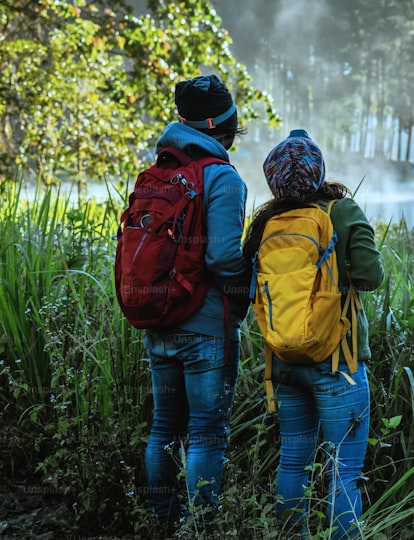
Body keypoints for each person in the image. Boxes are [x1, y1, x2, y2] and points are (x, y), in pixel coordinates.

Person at [243, 129, 384, 539]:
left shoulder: (266, 222)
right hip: (339, 363)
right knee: (344, 472)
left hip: (284, 361)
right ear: (318, 171)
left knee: (292, 462)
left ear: (273, 180)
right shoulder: (342, 210)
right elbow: (372, 277)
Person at [143, 74, 250, 534]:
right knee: (206, 431)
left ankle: (162, 524)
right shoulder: (221, 177)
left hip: (159, 320)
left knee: (164, 426)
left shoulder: (158, 173)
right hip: (205, 329)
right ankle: (203, 529)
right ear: (224, 129)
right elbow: (224, 257)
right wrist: (246, 292)